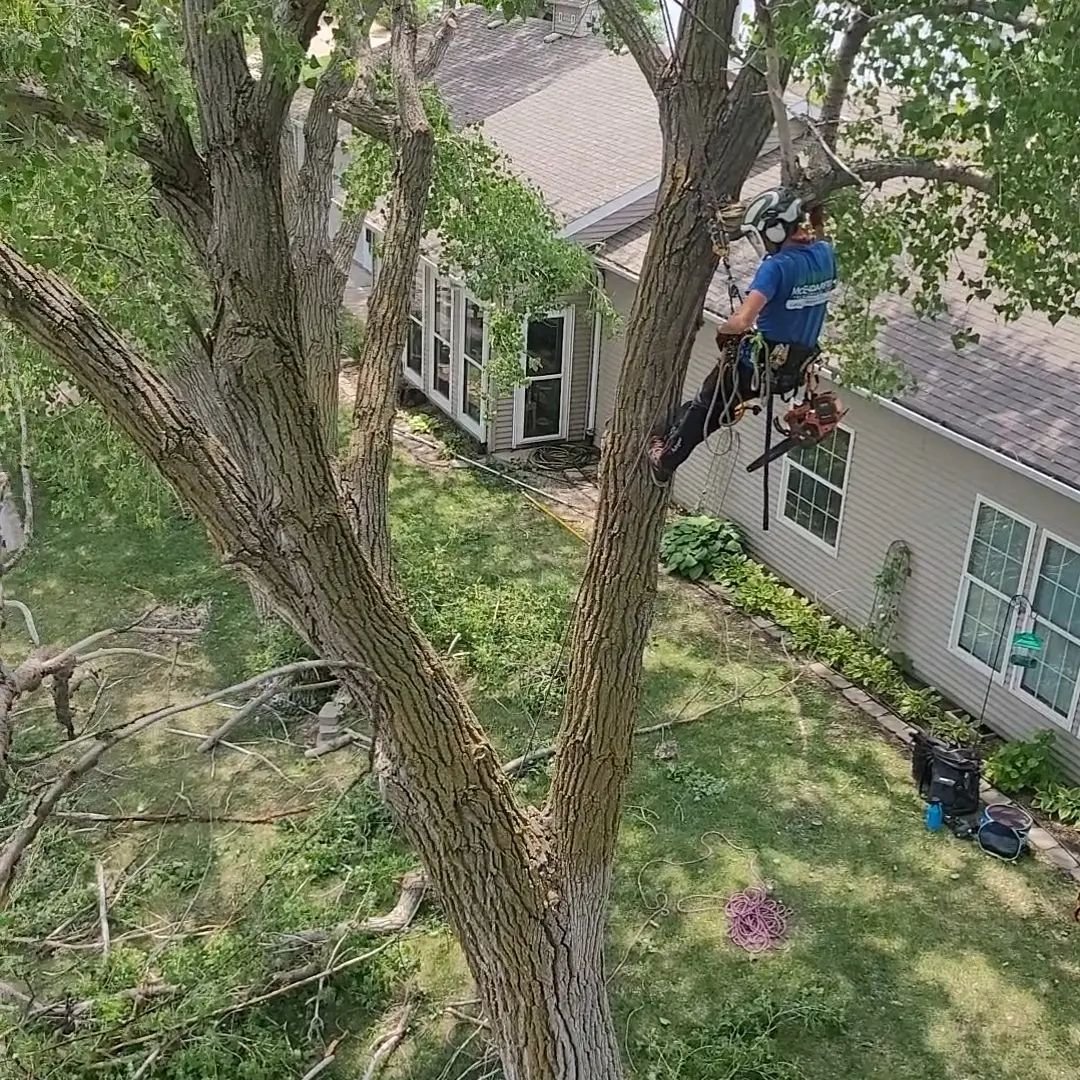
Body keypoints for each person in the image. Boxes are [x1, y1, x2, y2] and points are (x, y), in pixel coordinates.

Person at [648, 188, 838, 484]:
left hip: (755, 367)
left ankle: (665, 462)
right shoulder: (826, 254)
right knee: (717, 405)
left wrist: (723, 332)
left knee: (706, 405)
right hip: (792, 371)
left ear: (775, 230)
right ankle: (676, 427)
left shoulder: (775, 267)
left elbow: (742, 320)